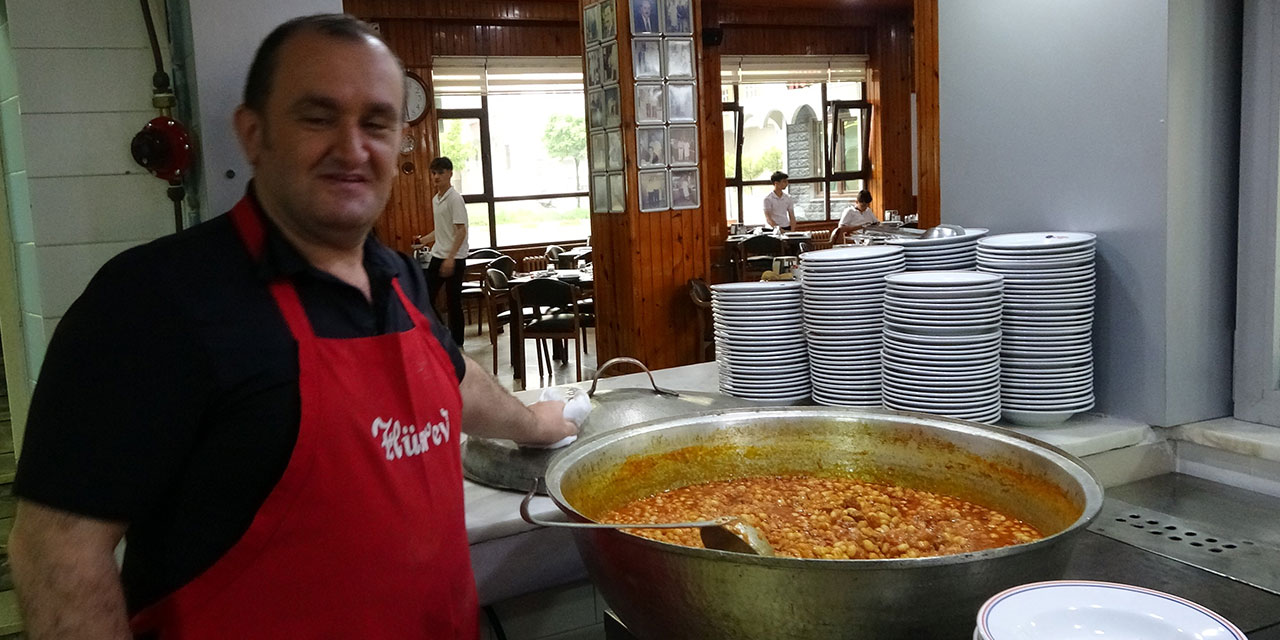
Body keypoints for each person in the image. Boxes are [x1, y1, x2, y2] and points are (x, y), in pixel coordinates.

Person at [7, 14, 577, 640]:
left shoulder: (399, 280)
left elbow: (451, 374)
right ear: (254, 134)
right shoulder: (154, 302)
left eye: (377, 123)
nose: (353, 147)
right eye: (318, 116)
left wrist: (533, 423)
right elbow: (57, 551)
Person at [420, 156, 469, 346]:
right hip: (438, 254)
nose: (436, 177)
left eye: (440, 173)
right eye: (433, 173)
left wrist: (451, 258)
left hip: (454, 257)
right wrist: (423, 240)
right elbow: (441, 230)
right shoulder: (436, 199)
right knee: (425, 296)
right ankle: (441, 333)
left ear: (450, 173)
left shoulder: (455, 199)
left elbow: (461, 230)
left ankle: (457, 342)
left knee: (453, 301)